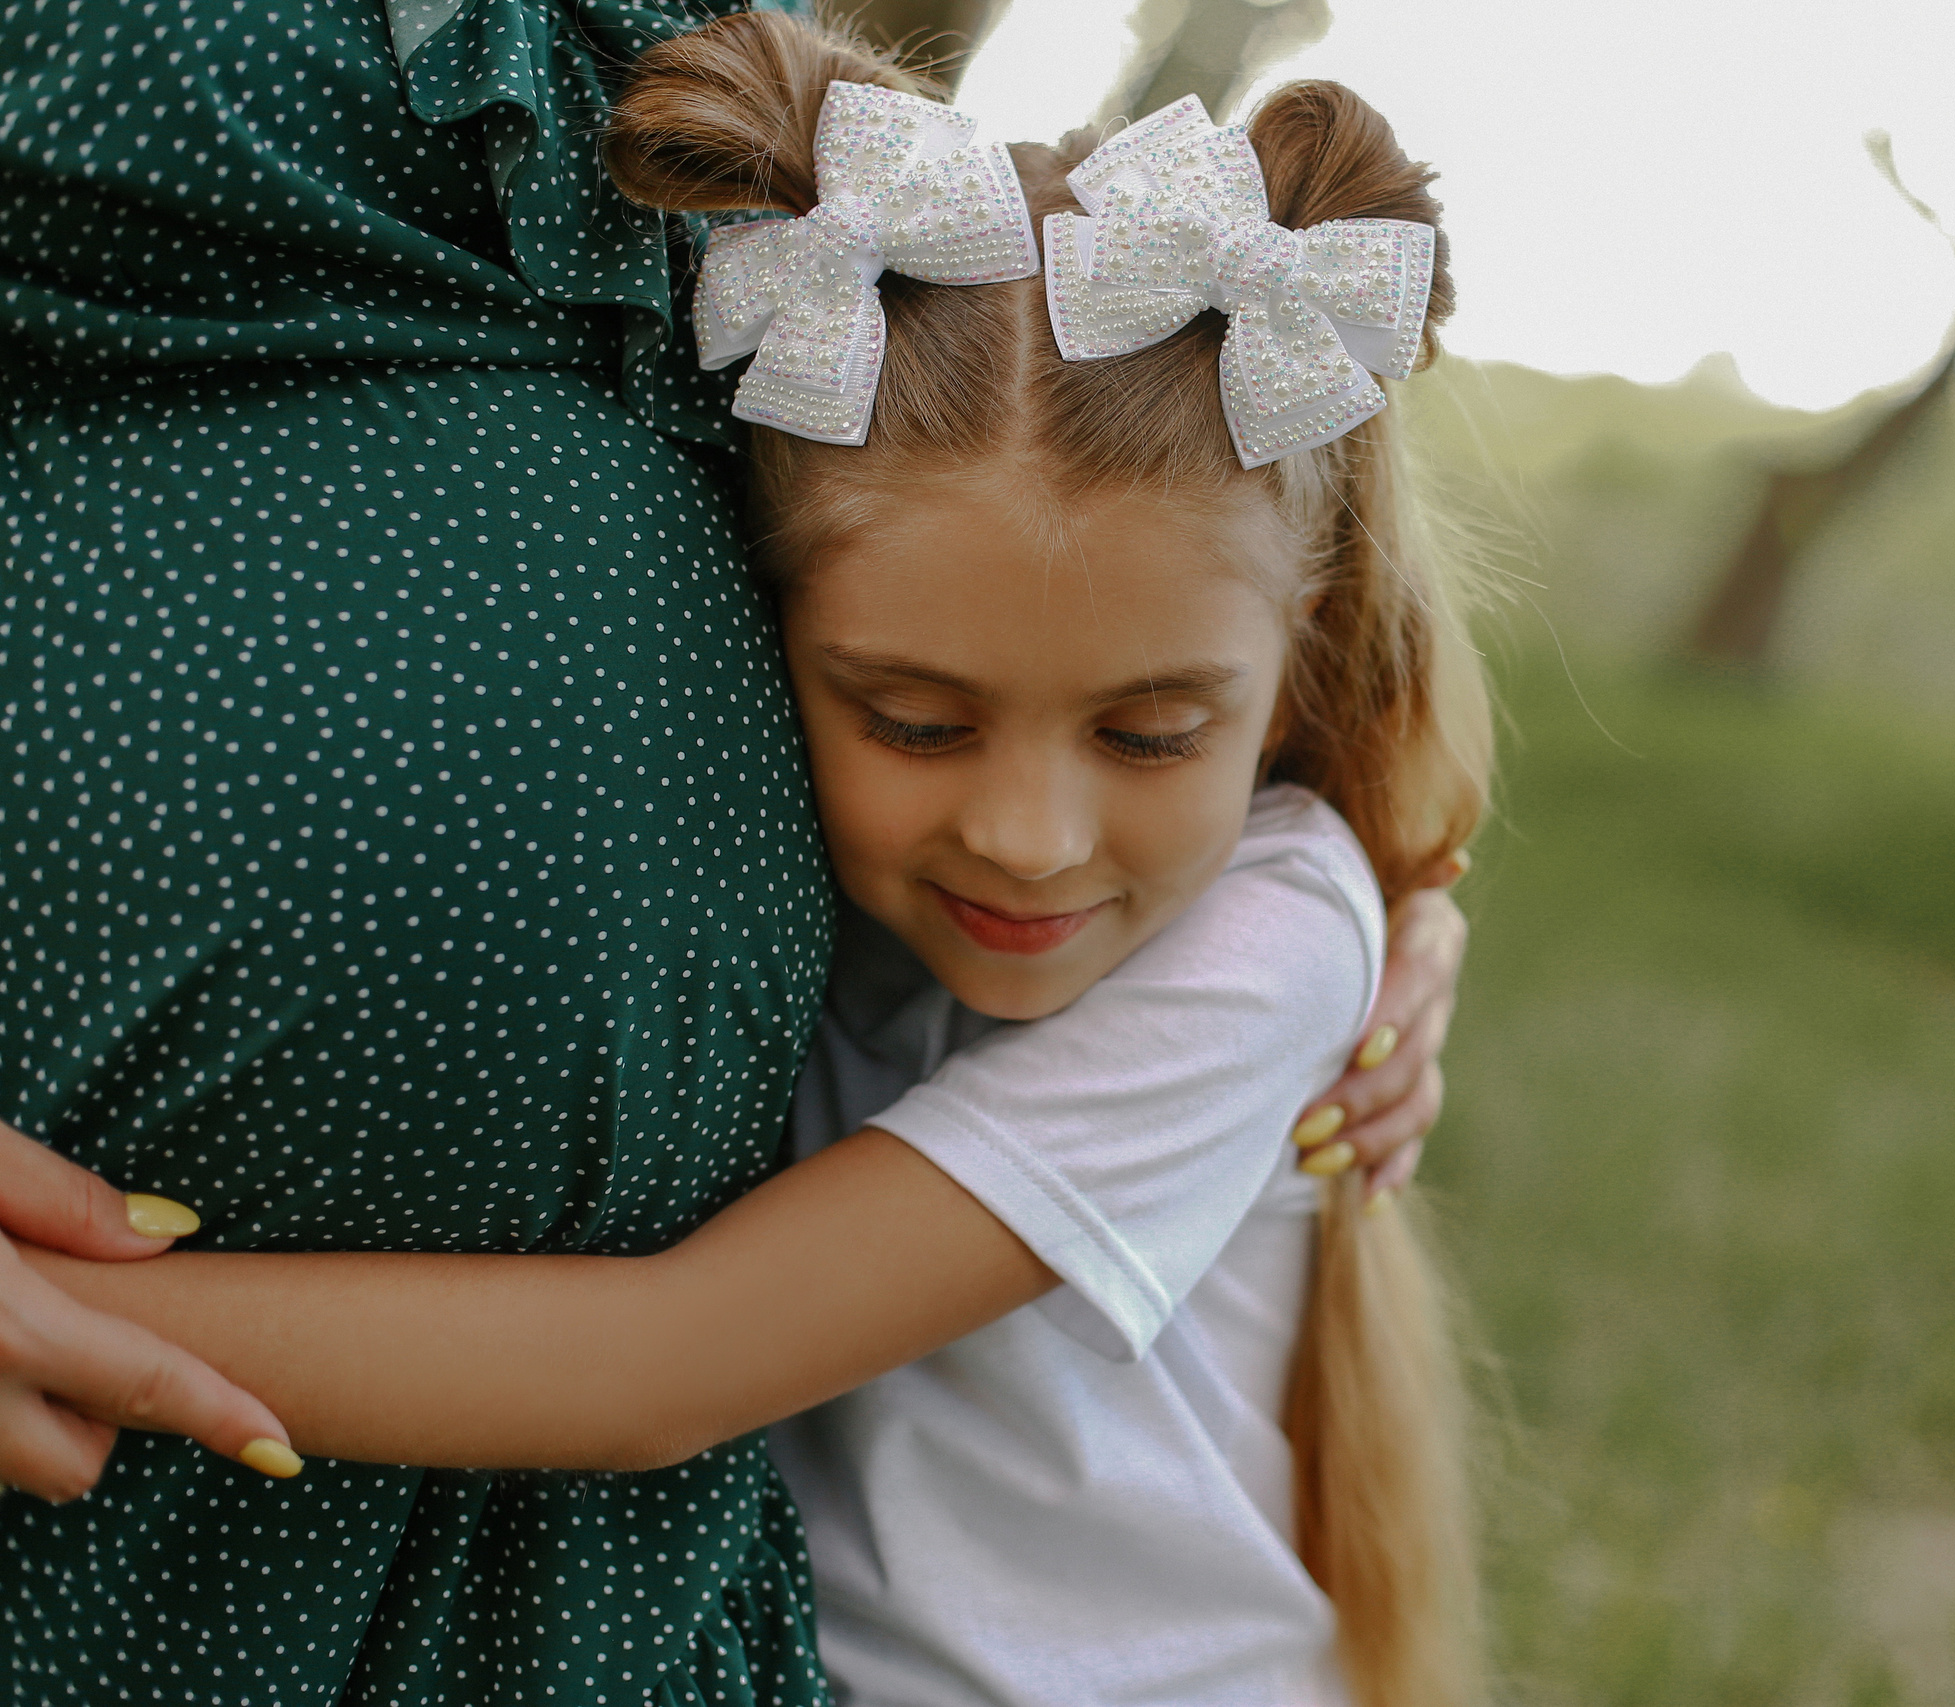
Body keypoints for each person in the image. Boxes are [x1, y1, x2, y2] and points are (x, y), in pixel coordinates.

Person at [0, 2, 1466, 1700]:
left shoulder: (1269, 941)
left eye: (1150, 737)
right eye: (914, 722)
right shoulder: (867, 854)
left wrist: (67, 1316)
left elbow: (662, 1368)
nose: (1028, 835)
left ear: (1304, 667)